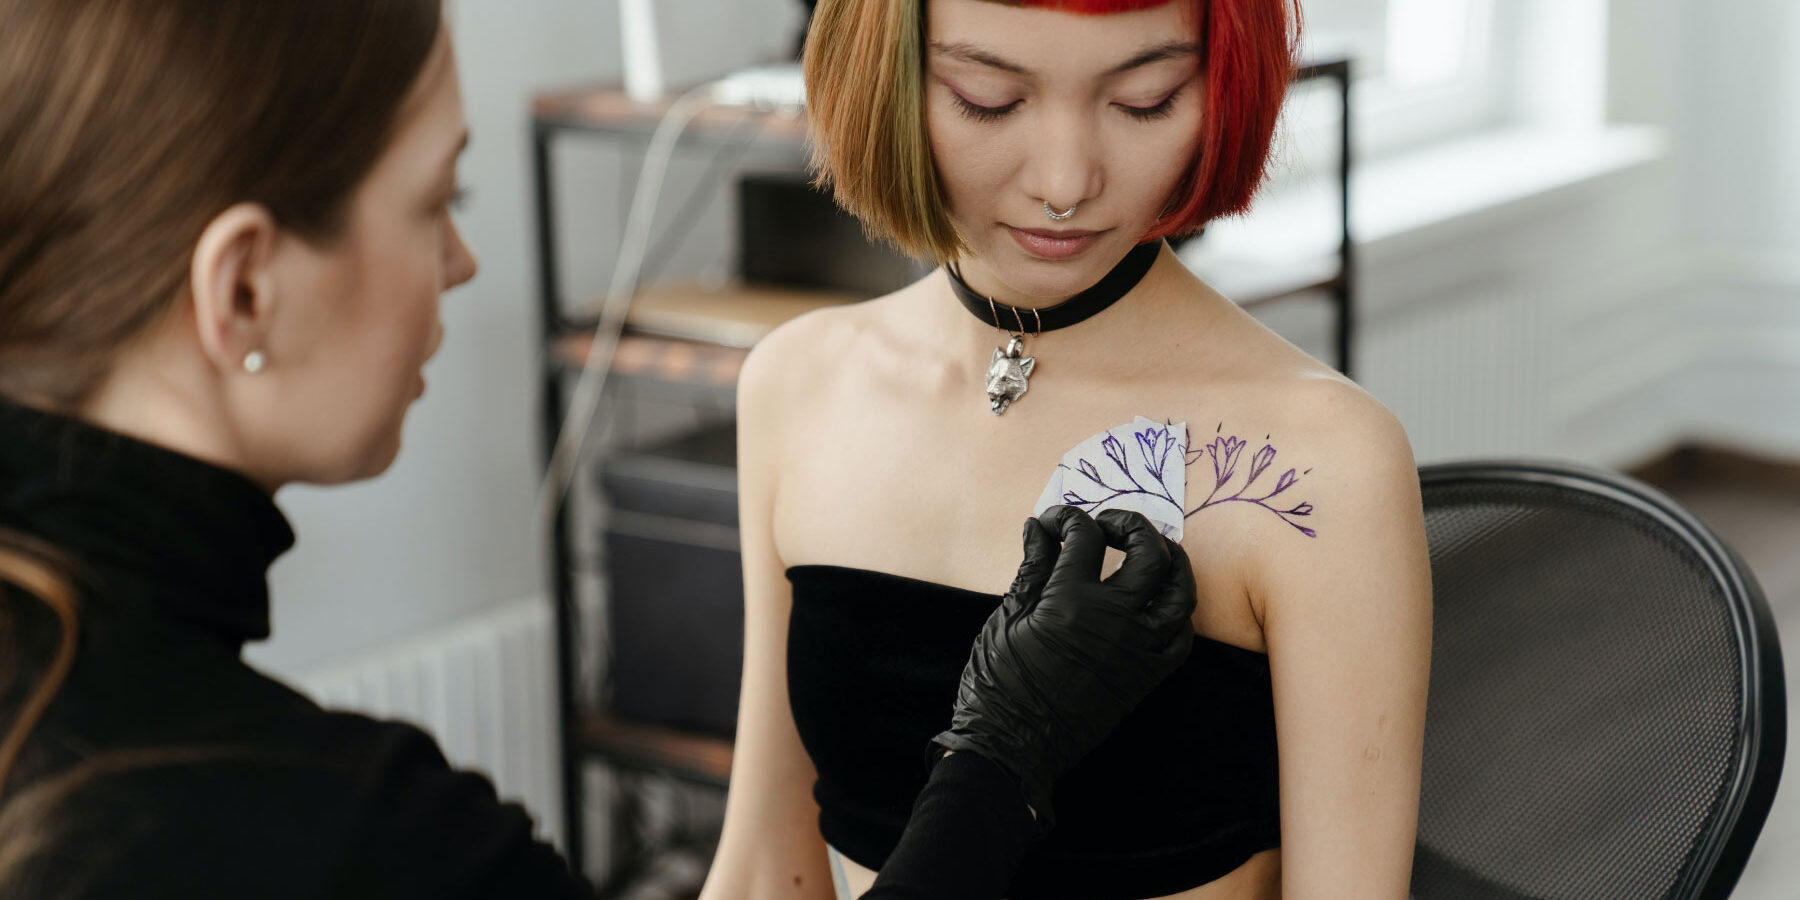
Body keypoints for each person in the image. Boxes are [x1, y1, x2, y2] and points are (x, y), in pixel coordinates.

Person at [0, 2, 1203, 897]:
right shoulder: (348, 840)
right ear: (245, 289)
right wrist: (1002, 753)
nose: (461, 263)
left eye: (1145, 96)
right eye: (437, 204)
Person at [702, 1, 1435, 899]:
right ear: (886, 74)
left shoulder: (1328, 460)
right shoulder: (799, 383)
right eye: (987, 98)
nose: (1064, 183)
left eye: (1145, 100)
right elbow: (761, 873)